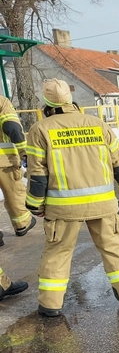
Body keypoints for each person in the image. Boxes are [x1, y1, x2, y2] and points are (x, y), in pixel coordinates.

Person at [25, 78, 119, 317]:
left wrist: (35, 206)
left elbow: (38, 175)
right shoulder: (98, 125)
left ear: (46, 104)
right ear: (71, 100)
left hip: (63, 209)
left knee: (58, 254)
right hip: (104, 205)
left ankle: (50, 305)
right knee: (113, 248)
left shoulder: (40, 130)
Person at [0, 95, 37, 243]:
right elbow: (12, 127)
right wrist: (24, 152)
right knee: (14, 193)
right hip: (4, 160)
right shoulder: (1, 102)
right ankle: (22, 223)